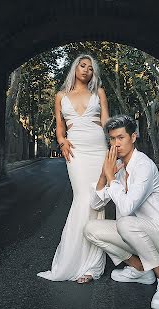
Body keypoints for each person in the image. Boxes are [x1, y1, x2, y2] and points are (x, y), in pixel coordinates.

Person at [84, 115, 159, 309]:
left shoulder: (144, 166)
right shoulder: (119, 168)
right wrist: (103, 175)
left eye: (121, 138)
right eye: (112, 139)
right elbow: (96, 203)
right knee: (91, 229)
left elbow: (126, 208)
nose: (116, 144)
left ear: (133, 137)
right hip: (138, 235)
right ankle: (140, 269)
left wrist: (110, 177)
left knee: (125, 222)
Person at [38, 54, 110, 284]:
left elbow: (107, 124)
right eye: (82, 65)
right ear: (75, 68)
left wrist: (116, 148)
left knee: (97, 201)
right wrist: (62, 142)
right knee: (81, 199)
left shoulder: (99, 92)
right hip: (76, 151)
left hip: (98, 148)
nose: (86, 69)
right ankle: (70, 261)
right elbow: (60, 128)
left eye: (90, 67)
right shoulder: (60, 96)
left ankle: (92, 266)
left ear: (93, 73)